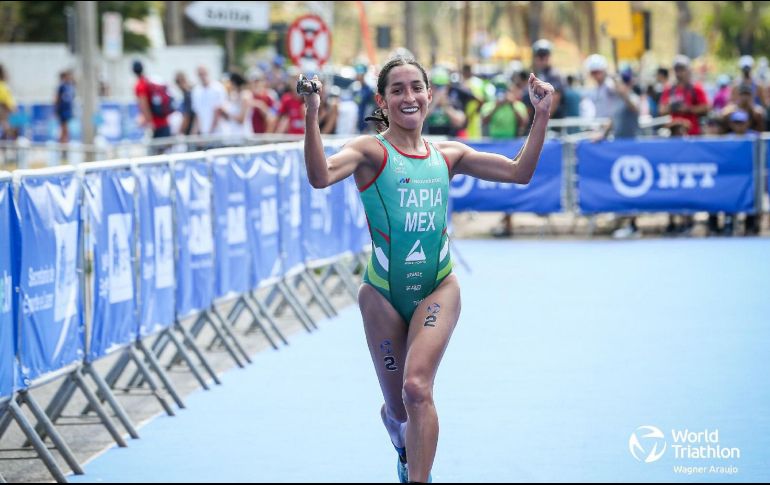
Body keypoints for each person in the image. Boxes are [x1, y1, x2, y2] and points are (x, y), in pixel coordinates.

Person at [301, 56, 553, 483]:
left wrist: (541, 114)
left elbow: (519, 172)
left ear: (429, 95)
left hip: (438, 287)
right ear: (382, 100)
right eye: (397, 89)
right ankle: (400, 438)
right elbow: (320, 176)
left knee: (417, 389)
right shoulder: (369, 151)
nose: (409, 96)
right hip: (381, 295)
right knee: (399, 409)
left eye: (416, 87)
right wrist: (312, 113)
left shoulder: (447, 154)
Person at [132, 60, 171, 140]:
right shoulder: (148, 81)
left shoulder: (140, 85)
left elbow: (144, 105)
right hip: (164, 122)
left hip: (156, 125)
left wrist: (150, 123)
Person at [55, 70, 76, 143]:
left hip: (68, 109)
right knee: (64, 126)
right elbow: (57, 98)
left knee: (66, 126)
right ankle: (63, 141)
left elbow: (72, 98)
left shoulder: (71, 86)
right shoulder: (62, 86)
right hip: (62, 109)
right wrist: (56, 109)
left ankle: (65, 140)